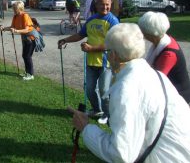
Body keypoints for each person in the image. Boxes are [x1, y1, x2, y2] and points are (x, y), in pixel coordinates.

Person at [71, 23, 190, 162]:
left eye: (107, 51)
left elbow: (121, 154)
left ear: (113, 55)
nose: (107, 56)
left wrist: (86, 128)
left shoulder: (126, 89)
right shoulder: (155, 75)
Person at [58, 0, 119, 123]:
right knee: (89, 89)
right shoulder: (91, 20)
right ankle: (97, 109)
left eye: (107, 4)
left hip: (106, 62)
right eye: (102, 4)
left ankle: (108, 115)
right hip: (91, 61)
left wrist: (91, 48)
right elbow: (80, 35)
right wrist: (65, 40)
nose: (105, 6)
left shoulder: (113, 21)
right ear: (96, 5)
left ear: (110, 5)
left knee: (104, 90)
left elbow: (112, 43)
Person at [138, 11, 190, 104]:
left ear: (151, 34)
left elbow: (156, 80)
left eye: (144, 32)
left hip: (178, 97)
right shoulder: (164, 39)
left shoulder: (168, 54)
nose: (142, 34)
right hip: (170, 91)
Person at [0, 1, 36, 81]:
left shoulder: (25, 16)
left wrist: (16, 31)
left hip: (31, 38)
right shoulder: (15, 16)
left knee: (27, 56)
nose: (13, 10)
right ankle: (27, 73)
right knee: (25, 56)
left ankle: (31, 74)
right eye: (13, 8)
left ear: (19, 8)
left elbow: (27, 29)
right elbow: (12, 27)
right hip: (25, 39)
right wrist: (4, 29)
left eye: (15, 8)